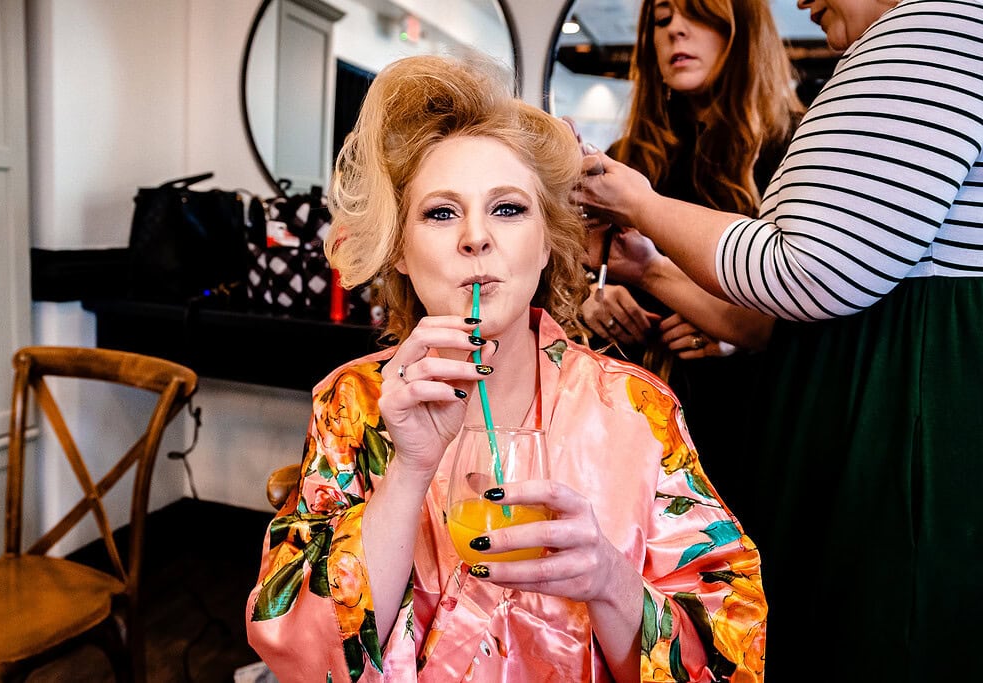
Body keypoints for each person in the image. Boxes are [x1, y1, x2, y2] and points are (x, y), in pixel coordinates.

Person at [245, 54, 766, 682]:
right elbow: (305, 656)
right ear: (401, 251)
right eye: (440, 212)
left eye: (509, 209)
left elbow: (728, 653)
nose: (475, 237)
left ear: (546, 243)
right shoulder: (353, 404)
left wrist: (607, 579)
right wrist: (408, 472)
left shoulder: (636, 411)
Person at [575, 0, 983, 679]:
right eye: (661, 17)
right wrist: (630, 273)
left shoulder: (936, 28)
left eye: (698, 15)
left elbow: (806, 272)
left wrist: (644, 210)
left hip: (885, 436)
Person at [578, 0, 803, 500]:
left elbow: (809, 299)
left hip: (745, 413)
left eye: (696, 14)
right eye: (661, 20)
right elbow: (577, 270)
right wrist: (590, 299)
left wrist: (737, 335)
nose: (676, 30)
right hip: (634, 415)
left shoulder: (792, 148)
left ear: (740, 29)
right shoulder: (626, 158)